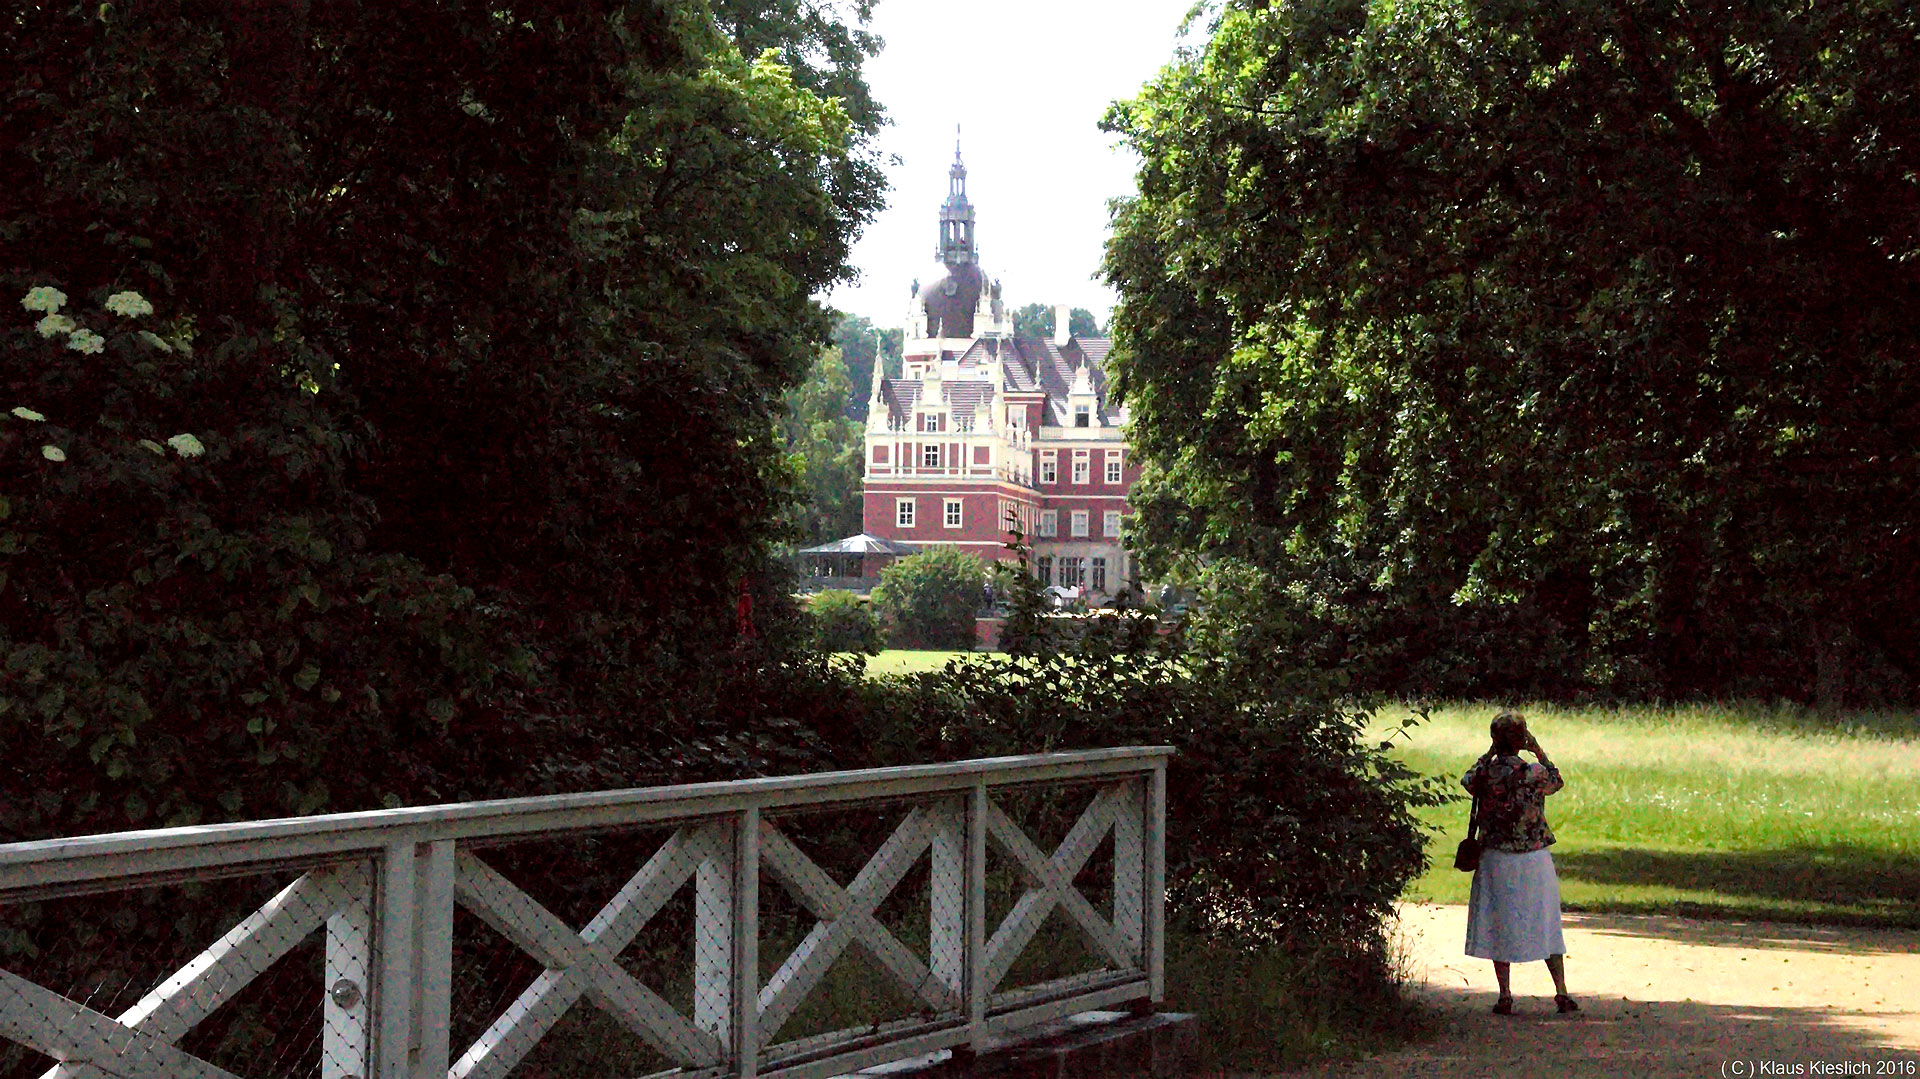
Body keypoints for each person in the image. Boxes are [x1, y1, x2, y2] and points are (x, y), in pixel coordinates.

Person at [1462, 710, 1577, 1015]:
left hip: (1496, 856)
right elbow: (1557, 780)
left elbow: (1468, 780)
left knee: (1499, 921)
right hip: (1533, 856)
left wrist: (1488, 755)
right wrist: (1538, 749)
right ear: (1522, 739)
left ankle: (1505, 994)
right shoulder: (1534, 772)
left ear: (1494, 739)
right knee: (1545, 921)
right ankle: (1561, 992)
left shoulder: (1485, 774)